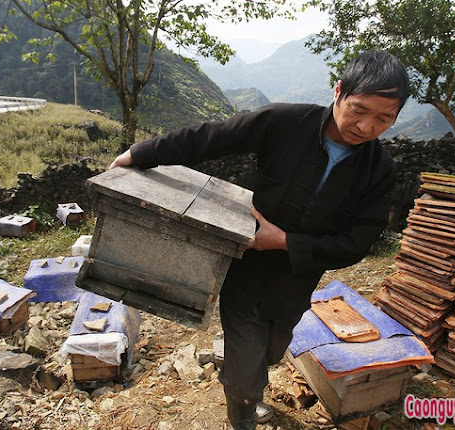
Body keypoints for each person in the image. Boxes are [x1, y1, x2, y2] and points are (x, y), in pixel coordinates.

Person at [109, 50, 409, 430]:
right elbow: (212, 137)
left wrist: (284, 241)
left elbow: (358, 242)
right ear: (338, 91)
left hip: (298, 280)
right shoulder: (286, 122)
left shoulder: (378, 169)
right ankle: (244, 412)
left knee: (271, 351)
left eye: (384, 119)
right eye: (359, 109)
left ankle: (244, 373)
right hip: (247, 269)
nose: (366, 127)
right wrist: (142, 153)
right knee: (248, 367)